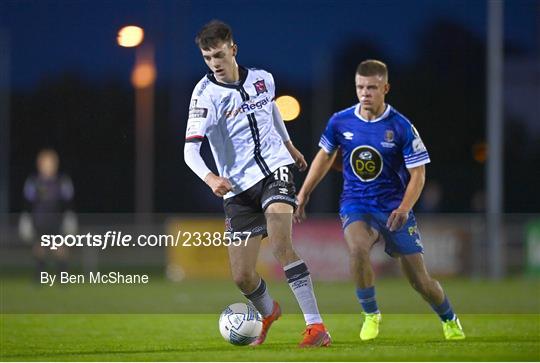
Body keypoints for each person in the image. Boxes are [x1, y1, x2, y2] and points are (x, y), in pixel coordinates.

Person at [183, 20, 331, 347]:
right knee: (242, 277)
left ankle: (316, 326)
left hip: (274, 171)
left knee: (280, 244)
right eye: (208, 58)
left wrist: (289, 146)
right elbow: (189, 150)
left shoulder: (264, 79)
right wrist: (210, 178)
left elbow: (272, 111)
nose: (215, 64)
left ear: (233, 49)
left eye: (219, 55)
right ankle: (267, 312)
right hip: (236, 189)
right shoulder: (205, 95)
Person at [294, 60, 465, 341]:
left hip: (394, 207)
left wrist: (404, 208)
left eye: (372, 88)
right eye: (360, 87)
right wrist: (304, 193)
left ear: (385, 88)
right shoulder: (340, 121)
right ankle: (371, 314)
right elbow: (325, 157)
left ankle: (449, 318)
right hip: (356, 203)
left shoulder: (400, 127)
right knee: (357, 249)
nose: (365, 93)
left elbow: (418, 175)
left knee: (420, 282)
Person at [19, 149, 77, 282]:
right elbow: (28, 202)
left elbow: (68, 202)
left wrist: (70, 218)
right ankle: (40, 276)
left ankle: (63, 277)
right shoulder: (34, 181)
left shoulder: (62, 181)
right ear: (39, 164)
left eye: (51, 163)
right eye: (46, 163)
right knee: (39, 248)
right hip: (39, 221)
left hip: (57, 221)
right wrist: (25, 219)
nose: (49, 166)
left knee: (60, 248)